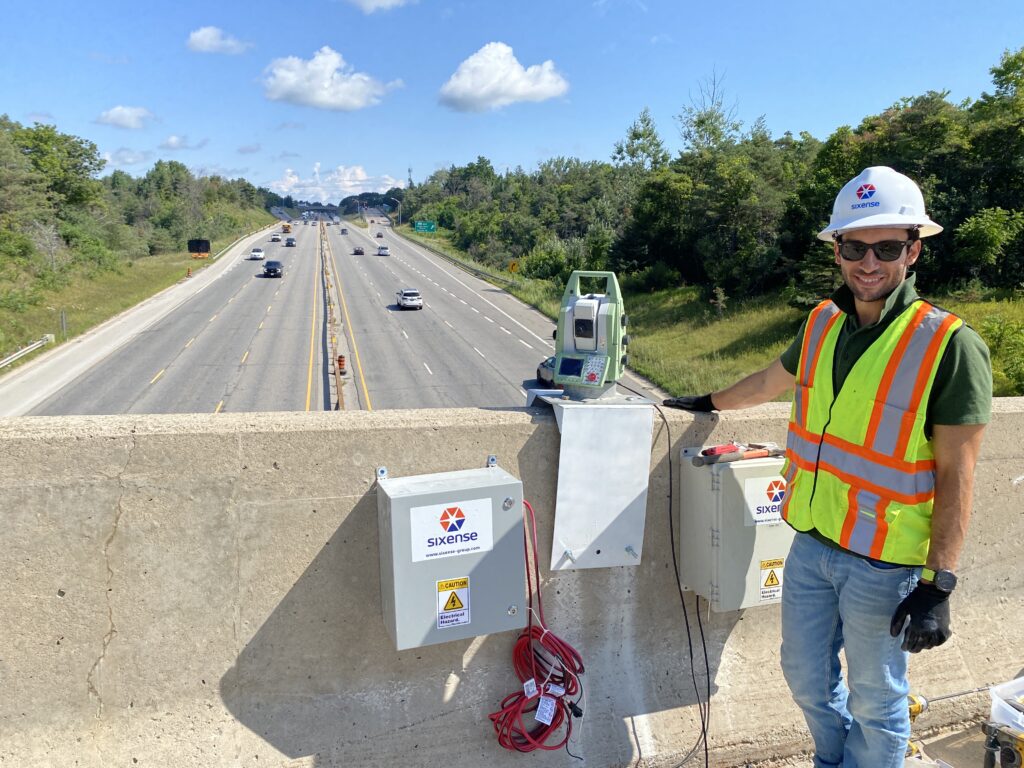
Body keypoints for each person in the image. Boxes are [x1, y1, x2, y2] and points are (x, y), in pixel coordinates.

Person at [665, 166, 992, 768]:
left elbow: (959, 474)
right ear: (837, 250)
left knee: (877, 696)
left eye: (887, 248)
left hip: (885, 563)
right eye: (854, 246)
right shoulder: (823, 322)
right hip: (813, 542)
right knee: (806, 679)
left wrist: (939, 583)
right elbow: (772, 380)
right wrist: (711, 402)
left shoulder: (948, 344)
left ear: (913, 251)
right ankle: (836, 760)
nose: (869, 262)